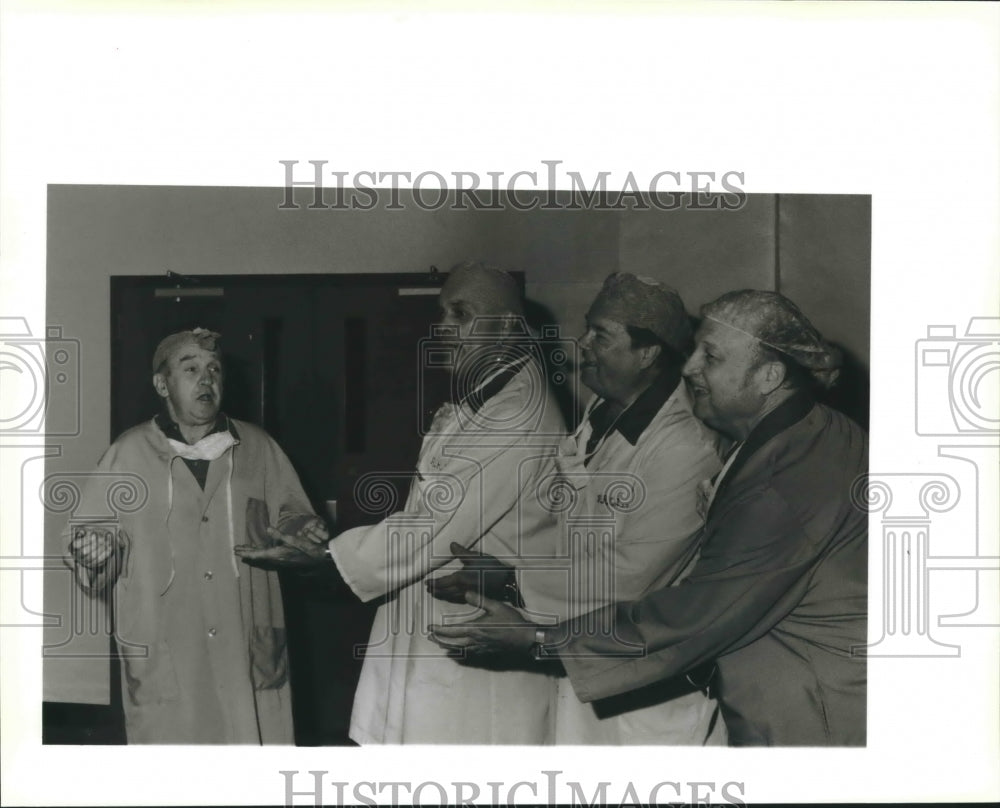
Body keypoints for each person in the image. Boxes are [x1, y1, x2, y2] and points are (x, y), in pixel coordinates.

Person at [430, 290, 868, 747]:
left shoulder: (780, 484)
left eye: (711, 356)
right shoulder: (804, 432)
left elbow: (693, 616)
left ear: (769, 376)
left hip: (815, 716)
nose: (689, 367)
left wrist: (537, 637)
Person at [238, 261, 565, 744]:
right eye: (443, 312)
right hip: (438, 619)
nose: (444, 326)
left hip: (479, 646)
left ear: (508, 326)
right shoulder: (488, 396)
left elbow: (433, 525)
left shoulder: (517, 414)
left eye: (462, 313)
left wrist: (328, 558)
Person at [433, 272, 726, 745]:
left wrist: (512, 579)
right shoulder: (600, 413)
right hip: (584, 654)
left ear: (648, 352)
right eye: (588, 328)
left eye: (601, 335)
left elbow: (630, 575)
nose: (583, 343)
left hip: (650, 683)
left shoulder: (683, 446)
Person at [64, 328, 325, 744]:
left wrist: (301, 529)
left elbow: (292, 512)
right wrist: (96, 548)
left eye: (214, 369)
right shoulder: (127, 453)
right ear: (161, 384)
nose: (207, 380)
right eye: (191, 369)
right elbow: (91, 530)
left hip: (244, 642)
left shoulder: (257, 447)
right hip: (168, 643)